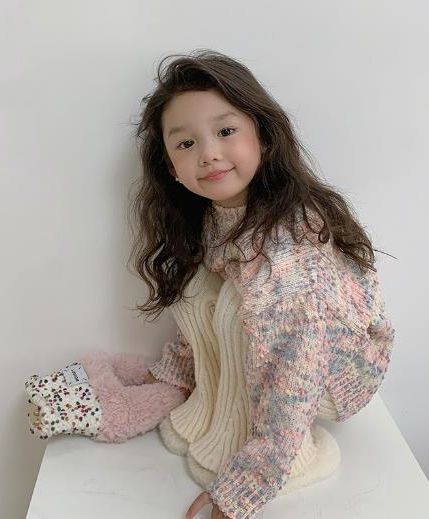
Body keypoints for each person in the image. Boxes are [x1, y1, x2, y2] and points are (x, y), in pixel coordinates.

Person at [128, 49, 396, 519]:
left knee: (246, 299)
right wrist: (175, 373)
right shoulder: (214, 215)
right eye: (185, 143)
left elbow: (296, 374)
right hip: (283, 355)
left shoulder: (292, 255)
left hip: (327, 377)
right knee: (201, 285)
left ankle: (256, 451)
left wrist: (244, 489)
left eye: (225, 132)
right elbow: (204, 304)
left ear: (264, 139)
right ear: (170, 166)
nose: (208, 153)